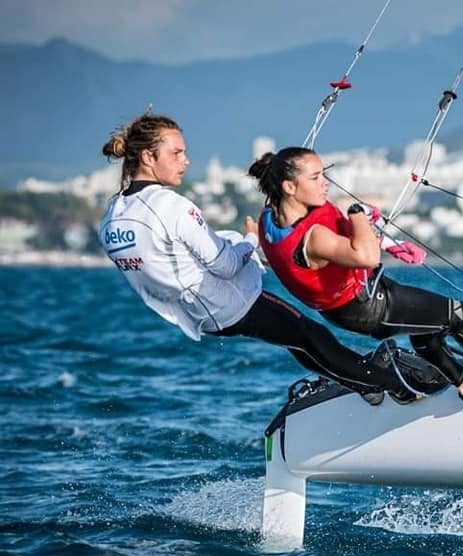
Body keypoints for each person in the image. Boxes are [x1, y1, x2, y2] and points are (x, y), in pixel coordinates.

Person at [98, 112, 439, 405]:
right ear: (147, 157)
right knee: (311, 337)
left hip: (201, 317)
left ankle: (364, 384)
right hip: (230, 303)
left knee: (298, 340)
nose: (185, 160)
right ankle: (396, 387)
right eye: (176, 153)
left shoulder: (112, 215)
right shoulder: (170, 206)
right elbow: (226, 265)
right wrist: (249, 240)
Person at [247, 146, 463, 402]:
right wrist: (359, 214)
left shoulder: (269, 218)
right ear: (289, 186)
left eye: (325, 173)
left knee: (428, 323)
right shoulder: (311, 236)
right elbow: (364, 254)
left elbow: (344, 243)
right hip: (369, 309)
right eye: (316, 177)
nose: (325, 183)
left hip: (356, 303)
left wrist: (389, 243)